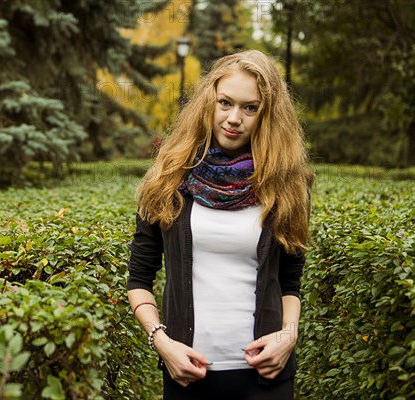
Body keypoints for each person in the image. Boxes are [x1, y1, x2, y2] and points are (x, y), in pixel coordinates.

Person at [127, 50, 314, 400]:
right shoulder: (168, 178)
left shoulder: (287, 184)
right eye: (225, 102)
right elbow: (139, 279)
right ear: (208, 102)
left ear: (268, 115)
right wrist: (162, 343)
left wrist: (288, 336)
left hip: (266, 378)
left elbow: (290, 281)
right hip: (187, 376)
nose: (233, 118)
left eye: (250, 108)